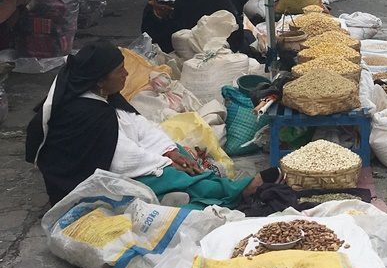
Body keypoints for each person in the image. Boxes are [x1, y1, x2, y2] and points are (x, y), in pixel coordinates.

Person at [25, 42, 271, 208]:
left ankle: (209, 189)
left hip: (120, 158)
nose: (126, 75)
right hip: (86, 178)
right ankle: (235, 191)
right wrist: (164, 163)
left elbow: (140, 126)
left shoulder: (105, 96)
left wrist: (170, 151)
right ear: (100, 79)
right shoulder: (84, 113)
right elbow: (119, 158)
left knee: (180, 153)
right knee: (171, 175)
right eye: (119, 71)